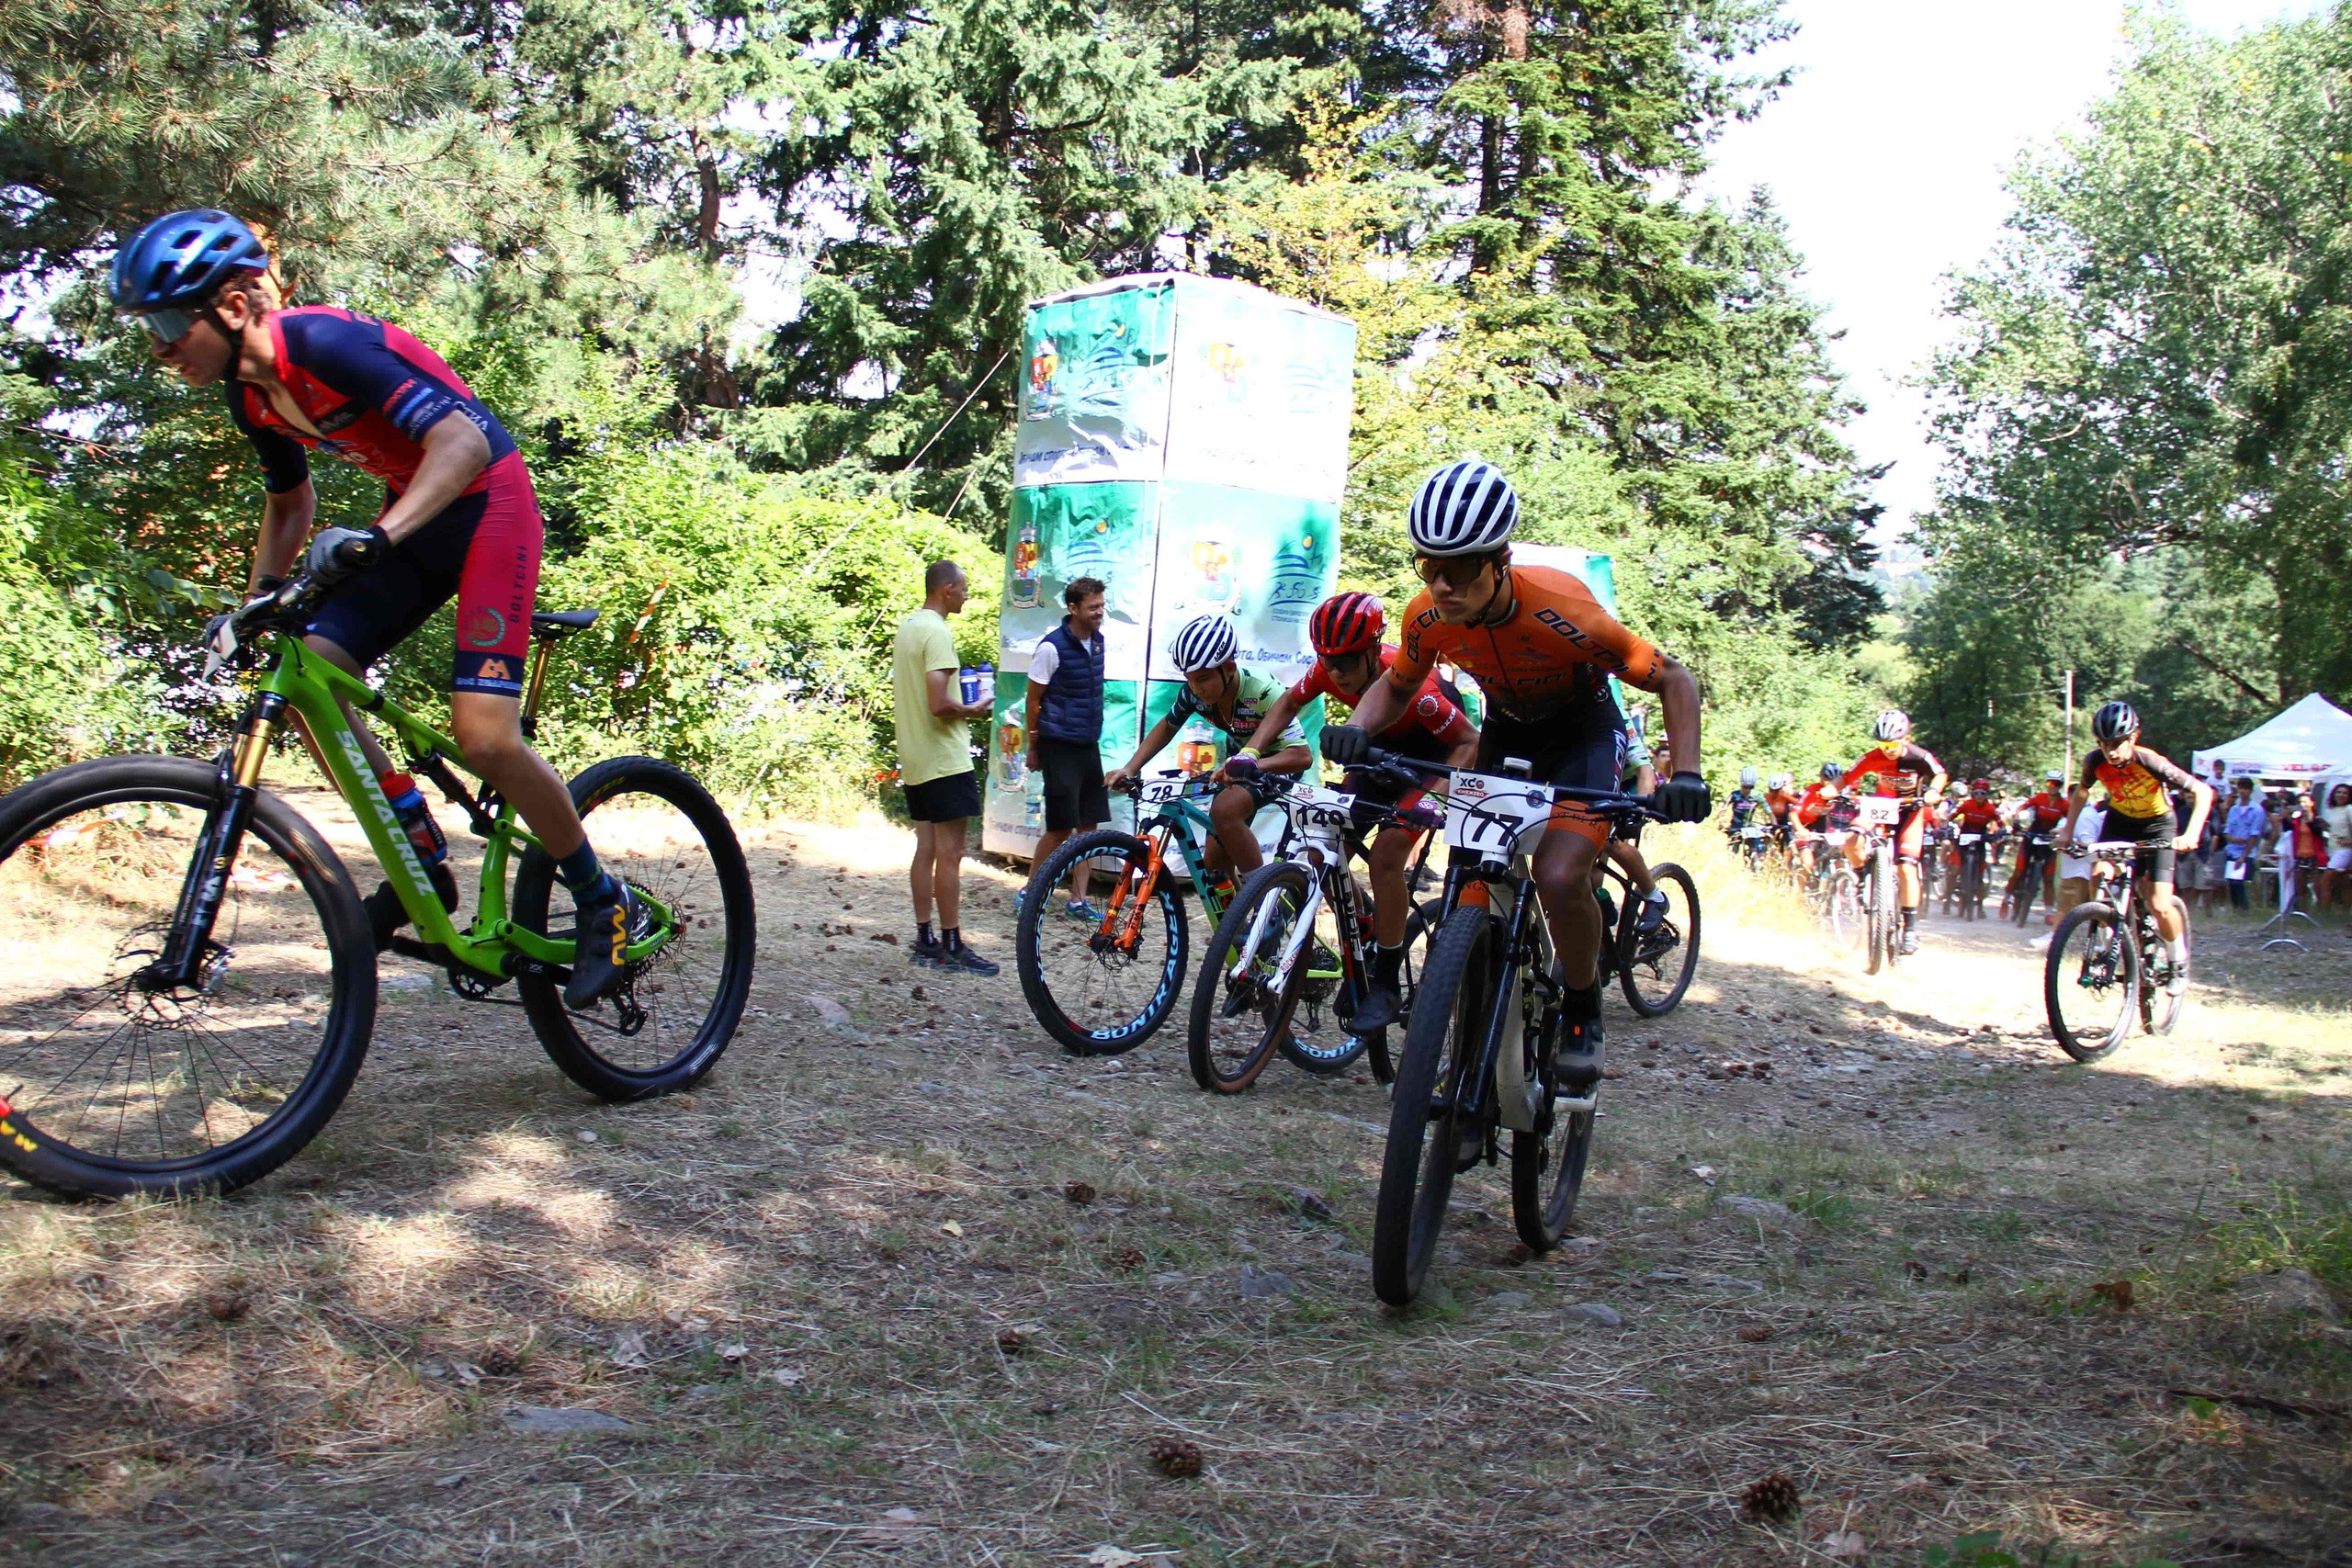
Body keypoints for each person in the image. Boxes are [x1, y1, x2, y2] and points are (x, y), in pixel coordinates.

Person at [111, 210, 645, 1008]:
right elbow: (290, 504)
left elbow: (463, 443)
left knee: (484, 735)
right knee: (310, 674)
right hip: (418, 516)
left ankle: (602, 899)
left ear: (228, 307)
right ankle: (417, 842)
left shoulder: (326, 343)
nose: (156, 346)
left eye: (163, 322)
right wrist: (255, 604)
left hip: (489, 503)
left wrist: (377, 535)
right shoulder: (250, 397)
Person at [1319, 459, 1707, 1095]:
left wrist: (1686, 771)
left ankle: (1582, 1007)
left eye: (1463, 567)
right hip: (1507, 732)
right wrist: (1358, 726)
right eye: (1429, 566)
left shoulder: (1564, 606)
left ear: (1499, 560)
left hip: (1582, 734)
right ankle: (1478, 1050)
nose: (1443, 585)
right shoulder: (1427, 617)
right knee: (1472, 878)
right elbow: (1397, 683)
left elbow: (1673, 677)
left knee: (1558, 875)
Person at [1238, 592, 1478, 1030]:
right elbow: (1289, 702)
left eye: (1347, 661)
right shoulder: (1329, 669)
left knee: (1388, 854)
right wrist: (1252, 752)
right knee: (1322, 848)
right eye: (1326, 660)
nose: (1335, 671)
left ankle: (1385, 981)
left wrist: (1433, 799)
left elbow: (1470, 744)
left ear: (1372, 651)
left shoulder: (1418, 688)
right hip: (1376, 757)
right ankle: (1366, 928)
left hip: (1433, 764)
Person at [1109, 613, 1312, 893]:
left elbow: (1303, 756)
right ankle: (1237, 932)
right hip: (1237, 763)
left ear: (1229, 667)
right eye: (1189, 679)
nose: (1196, 688)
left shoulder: (1263, 691)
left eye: (1203, 679)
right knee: (1215, 864)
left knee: (1225, 811)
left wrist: (1253, 766)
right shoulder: (1194, 693)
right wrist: (1131, 768)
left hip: (1278, 762)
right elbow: (1168, 726)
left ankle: (1263, 900)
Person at [2060, 701, 2212, 996]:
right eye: (2104, 745)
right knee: (2099, 875)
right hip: (2119, 821)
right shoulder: (2095, 761)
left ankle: (2177, 960)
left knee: (2158, 903)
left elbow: (2203, 791)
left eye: (2117, 743)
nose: (2111, 751)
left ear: (2134, 738)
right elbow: (2081, 792)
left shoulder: (2150, 761)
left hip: (2157, 825)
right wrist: (2067, 831)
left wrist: (2192, 833)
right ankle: (2106, 945)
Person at [893, 561, 997, 975]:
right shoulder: (937, 632)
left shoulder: (908, 628)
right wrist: (971, 709)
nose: (967, 596)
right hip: (944, 759)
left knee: (926, 850)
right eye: (964, 589)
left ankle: (925, 938)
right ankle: (952, 944)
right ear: (947, 589)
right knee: (951, 855)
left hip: (916, 758)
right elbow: (938, 704)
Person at [1021, 576, 1110, 920]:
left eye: (1102, 605)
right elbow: (1033, 700)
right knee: (1059, 828)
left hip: (1089, 745)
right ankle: (1030, 892)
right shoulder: (1051, 648)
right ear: (1073, 608)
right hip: (1058, 746)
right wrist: (1033, 746)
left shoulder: (1099, 642)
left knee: (1088, 826)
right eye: (1093, 607)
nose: (1099, 612)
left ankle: (1078, 900)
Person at [1839, 711, 1949, 955]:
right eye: (1882, 744)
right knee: (1851, 839)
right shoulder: (1872, 757)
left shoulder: (1920, 757)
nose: (1887, 749)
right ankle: (1861, 879)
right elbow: (1846, 777)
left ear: (1906, 739)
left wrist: (1933, 791)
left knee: (1906, 867)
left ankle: (1910, 928)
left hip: (1910, 811)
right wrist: (1830, 790)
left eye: (1892, 744)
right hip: (1880, 806)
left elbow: (1940, 773)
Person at [2005, 767, 2069, 920]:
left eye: (2056, 783)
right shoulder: (2039, 798)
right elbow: (2023, 806)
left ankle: (2048, 912)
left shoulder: (2064, 803)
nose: (2052, 786)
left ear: (2060, 785)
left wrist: (2063, 830)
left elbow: (2070, 819)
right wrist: (2016, 815)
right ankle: (2006, 898)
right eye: (2049, 783)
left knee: (2048, 877)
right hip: (2032, 836)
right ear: (2046, 784)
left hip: (2049, 840)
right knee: (2019, 872)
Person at [1946, 778, 2003, 912]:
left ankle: (1980, 906)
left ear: (1986, 795)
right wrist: (1946, 825)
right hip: (1964, 838)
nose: (1979, 796)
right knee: (1954, 870)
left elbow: (2000, 823)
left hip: (1980, 840)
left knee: (1980, 874)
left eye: (1983, 793)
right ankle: (1947, 900)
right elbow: (1952, 816)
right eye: (1977, 793)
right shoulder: (1966, 805)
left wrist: (2002, 830)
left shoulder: (1991, 809)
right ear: (1973, 794)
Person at [2221, 777, 2266, 911]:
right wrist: (2233, 839)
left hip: (2246, 852)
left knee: (2239, 882)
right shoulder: (2234, 809)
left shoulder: (2257, 810)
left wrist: (2244, 856)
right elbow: (2227, 830)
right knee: (2232, 883)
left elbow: (2254, 835)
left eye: (2246, 788)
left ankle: (2244, 909)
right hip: (2231, 850)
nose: (2243, 791)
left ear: (2251, 791)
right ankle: (2236, 908)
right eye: (2241, 788)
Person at [2319, 782, 2352, 913]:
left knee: (2325, 880)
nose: (2341, 795)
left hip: (2343, 850)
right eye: (2339, 792)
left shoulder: (2349, 809)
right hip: (2332, 848)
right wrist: (2324, 825)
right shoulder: (2332, 810)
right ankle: (2346, 910)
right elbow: (2335, 829)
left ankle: (2325, 912)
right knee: (2343, 881)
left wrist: (2350, 842)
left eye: (2344, 793)